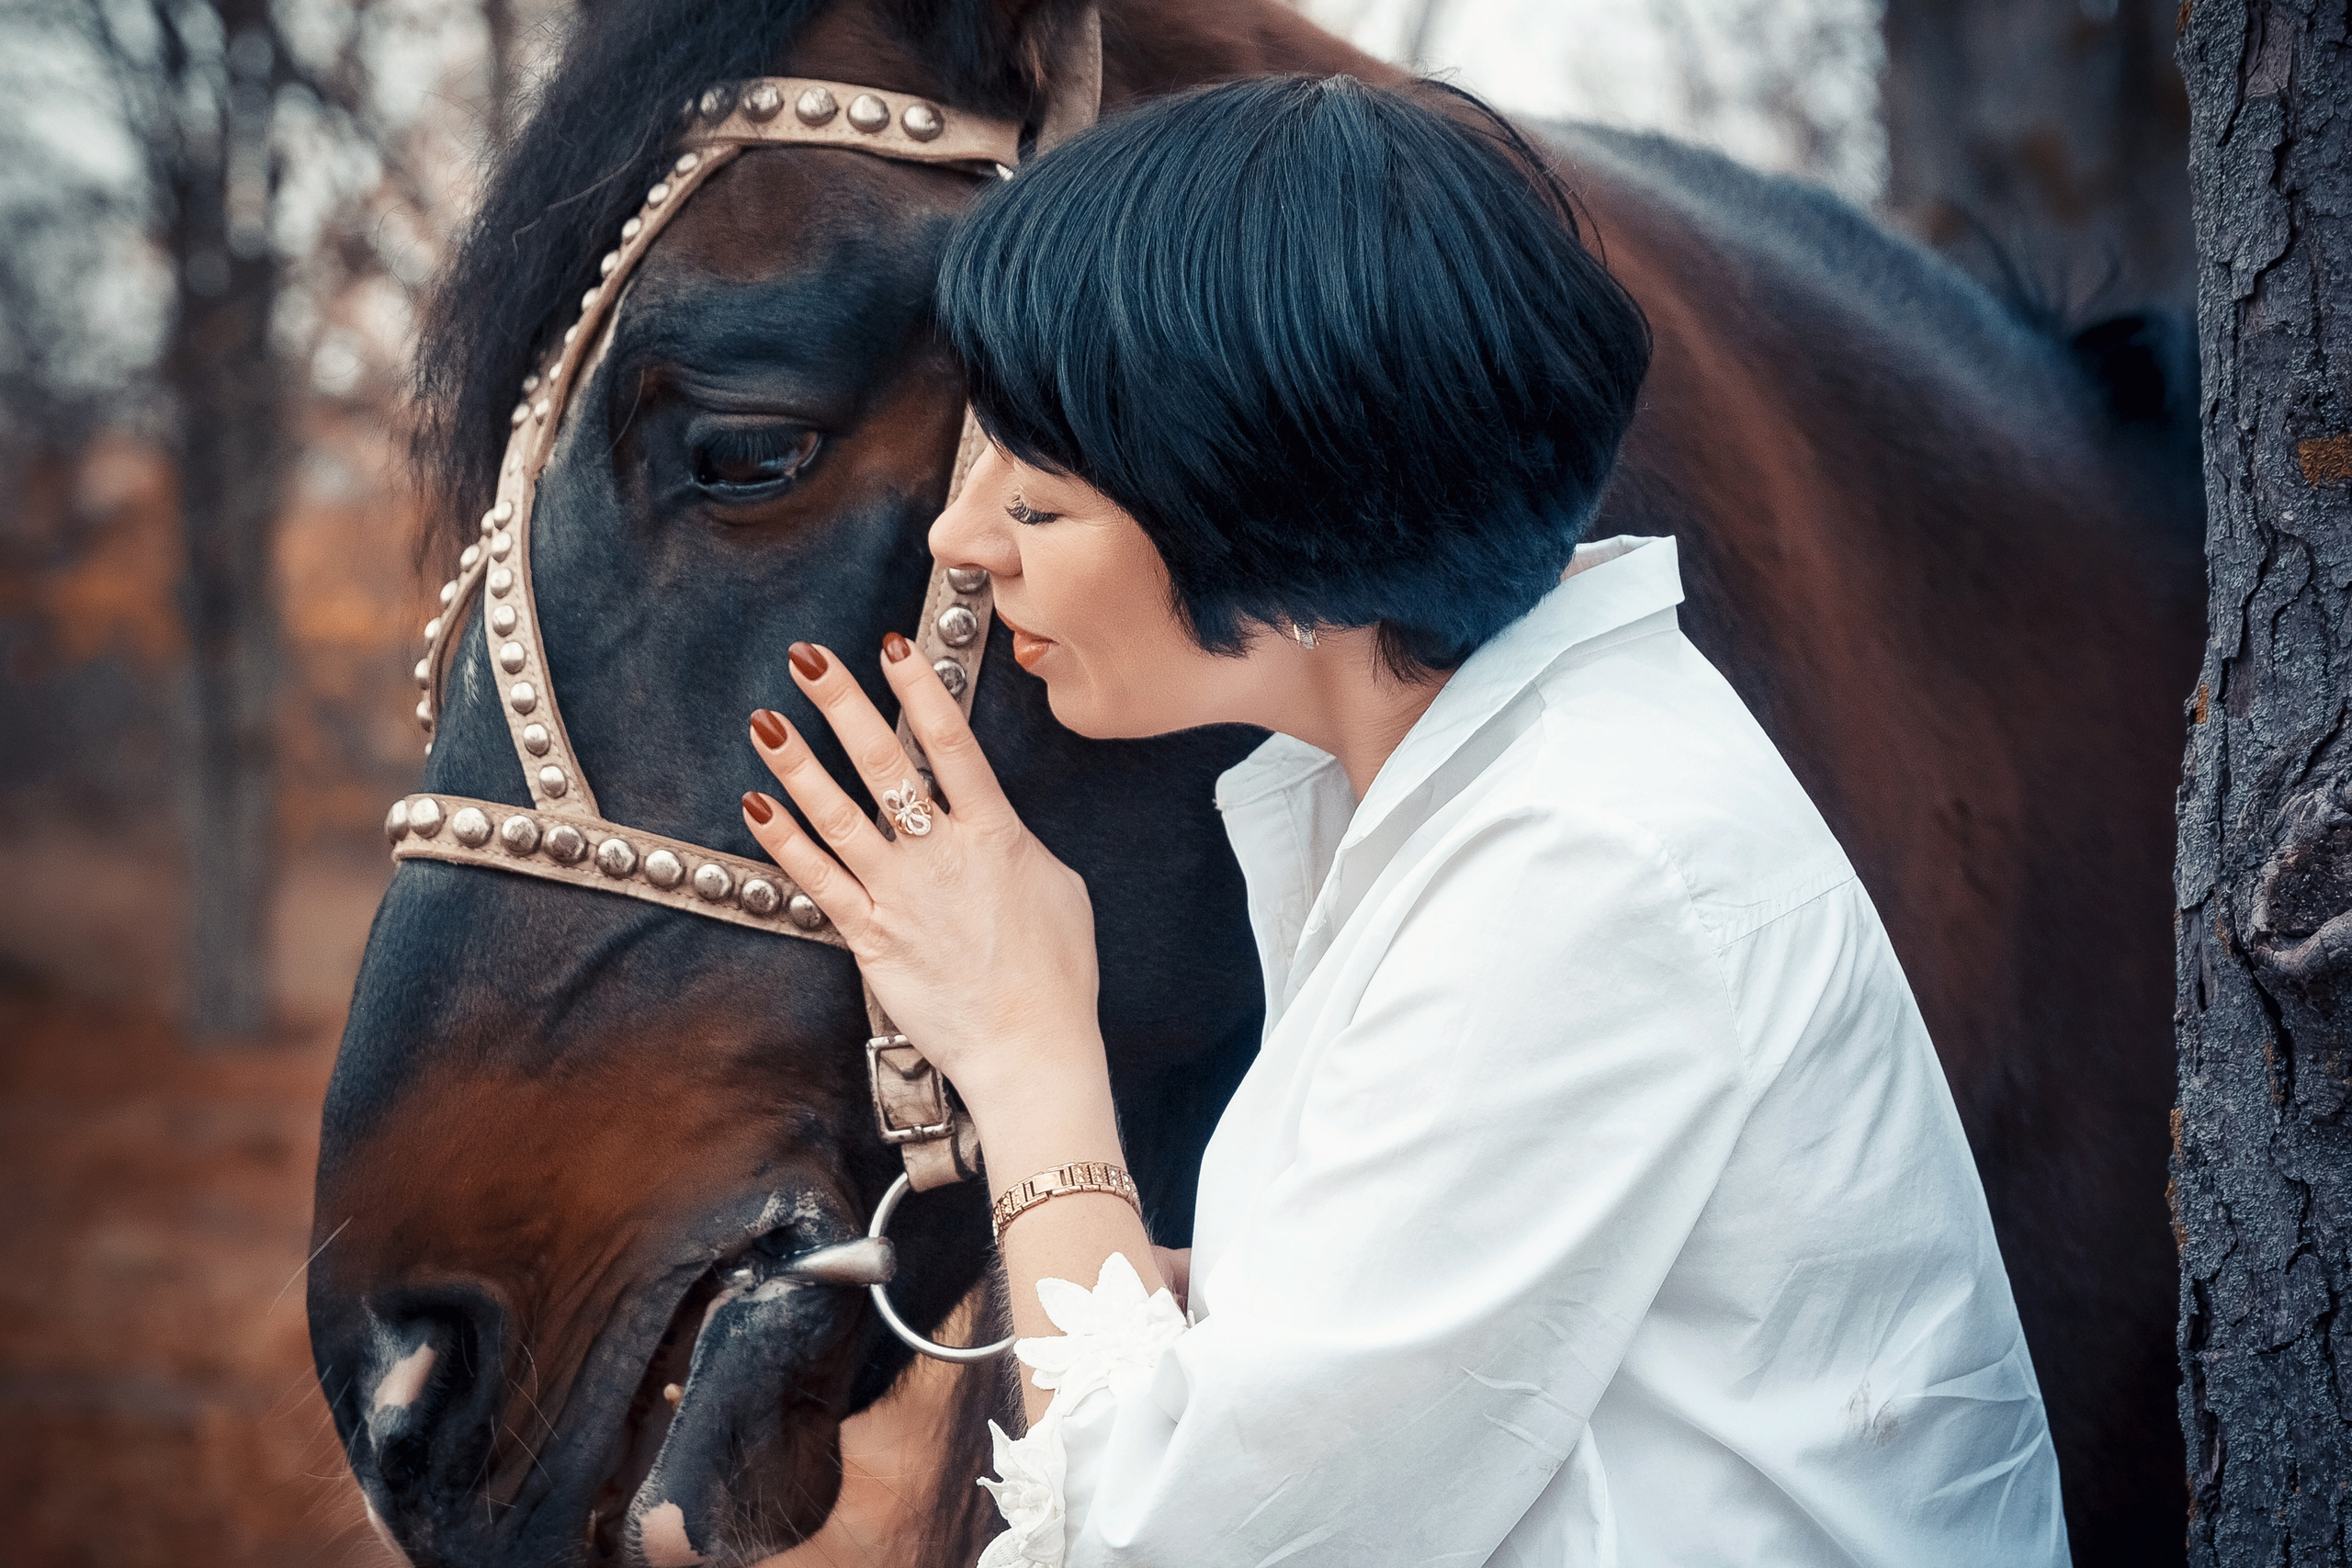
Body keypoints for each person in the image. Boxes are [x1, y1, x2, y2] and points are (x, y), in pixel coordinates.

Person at [735, 74, 2066, 1568]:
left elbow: (1181, 1547)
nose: (960, 543)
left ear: (1278, 514)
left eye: (1039, 508)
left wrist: (1029, 1045)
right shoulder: (1474, 794)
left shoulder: (1580, 867)